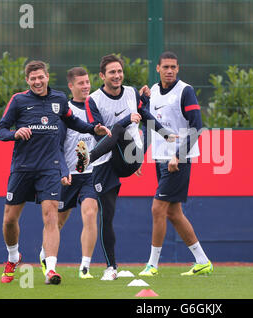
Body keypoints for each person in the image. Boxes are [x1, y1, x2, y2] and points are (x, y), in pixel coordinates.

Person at [0, 60, 110, 285]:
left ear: (47, 77)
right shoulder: (19, 100)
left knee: (50, 217)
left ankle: (50, 268)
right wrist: (15, 133)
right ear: (27, 81)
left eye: (41, 77)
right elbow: (0, 131)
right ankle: (13, 257)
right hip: (22, 168)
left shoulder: (58, 99)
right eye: (33, 78)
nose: (38, 81)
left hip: (50, 168)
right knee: (9, 219)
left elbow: (73, 121)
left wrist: (92, 128)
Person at [79, 54, 174, 281]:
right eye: (112, 72)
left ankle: (87, 159)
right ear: (102, 76)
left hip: (130, 155)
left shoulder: (132, 93)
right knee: (107, 216)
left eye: (119, 71)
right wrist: (125, 119)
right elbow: (97, 130)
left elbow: (145, 114)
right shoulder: (93, 100)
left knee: (122, 129)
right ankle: (111, 267)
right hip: (106, 163)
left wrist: (165, 133)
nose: (117, 75)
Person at [138, 51, 213, 277]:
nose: (169, 70)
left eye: (173, 67)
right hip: (160, 158)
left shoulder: (185, 91)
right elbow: (149, 125)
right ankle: (203, 261)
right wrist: (139, 156)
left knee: (157, 208)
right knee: (174, 213)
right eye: (166, 67)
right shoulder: (154, 92)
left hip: (178, 160)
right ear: (158, 69)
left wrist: (178, 156)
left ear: (178, 69)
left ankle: (152, 265)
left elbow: (196, 126)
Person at [39, 67, 99, 279]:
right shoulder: (65, 113)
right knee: (58, 222)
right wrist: (63, 171)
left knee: (91, 213)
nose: (86, 86)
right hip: (68, 175)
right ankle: (45, 254)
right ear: (71, 86)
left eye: (87, 82)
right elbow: (57, 145)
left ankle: (85, 267)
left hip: (91, 174)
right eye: (81, 83)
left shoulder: (96, 106)